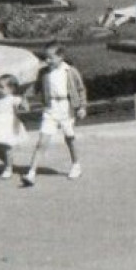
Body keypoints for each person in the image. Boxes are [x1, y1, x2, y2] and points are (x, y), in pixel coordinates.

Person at [21, 45, 86, 186]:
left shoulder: (70, 71)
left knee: (69, 138)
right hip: (50, 109)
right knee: (42, 141)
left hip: (66, 108)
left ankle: (76, 165)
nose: (48, 60)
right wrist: (24, 97)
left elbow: (80, 89)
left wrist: (82, 106)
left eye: (51, 57)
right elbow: (35, 88)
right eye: (46, 57)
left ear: (60, 57)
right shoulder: (44, 73)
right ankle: (31, 173)